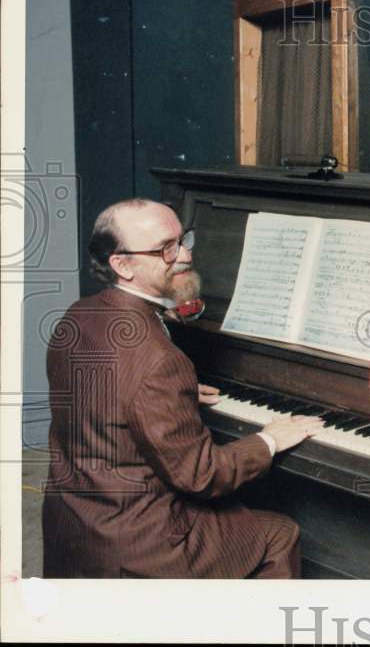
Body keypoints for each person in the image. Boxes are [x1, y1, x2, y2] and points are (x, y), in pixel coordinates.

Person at [42, 199, 325, 578]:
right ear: (122, 265)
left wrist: (174, 394)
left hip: (75, 524)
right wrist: (269, 439)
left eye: (183, 239)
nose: (186, 255)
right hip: (138, 545)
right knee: (279, 533)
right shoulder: (158, 362)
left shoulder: (79, 315)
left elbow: (115, 393)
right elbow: (202, 475)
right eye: (166, 248)